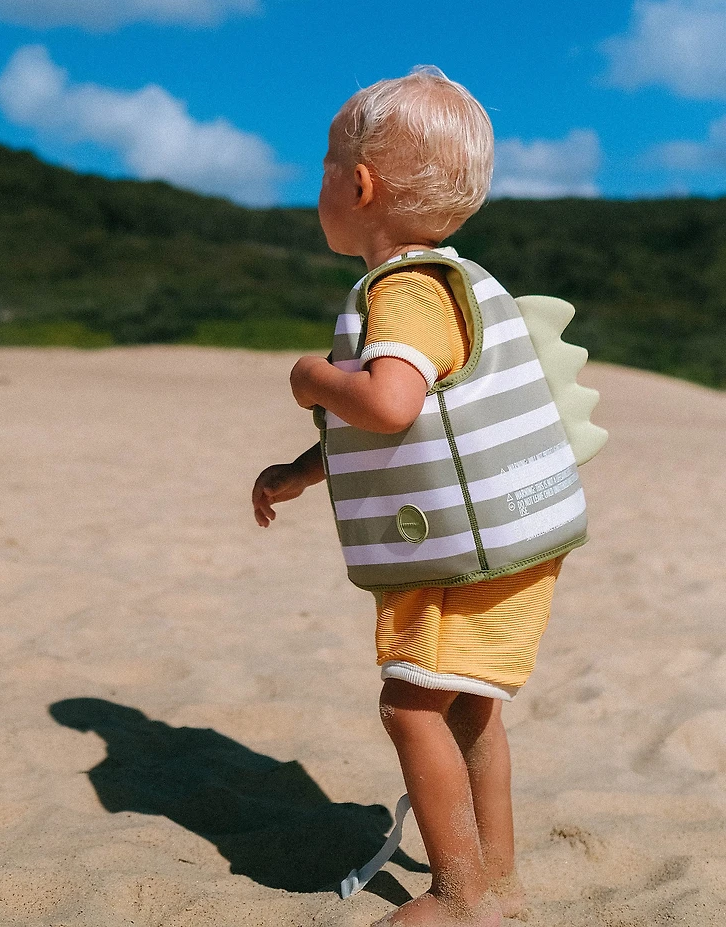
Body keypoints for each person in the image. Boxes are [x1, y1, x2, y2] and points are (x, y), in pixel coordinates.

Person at [252, 67, 564, 927]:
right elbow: (422, 430)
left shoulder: (409, 289)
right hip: (510, 539)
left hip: (464, 556)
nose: (317, 182)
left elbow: (385, 405)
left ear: (358, 185)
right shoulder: (450, 281)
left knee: (408, 704)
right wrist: (305, 468)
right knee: (468, 707)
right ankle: (497, 880)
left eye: (322, 166)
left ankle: (460, 897)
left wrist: (312, 377)